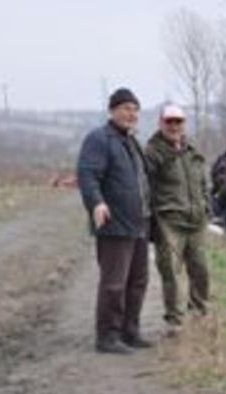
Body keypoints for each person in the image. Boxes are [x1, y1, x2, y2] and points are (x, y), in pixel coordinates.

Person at [76, 87, 152, 354]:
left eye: (134, 109)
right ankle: (107, 337)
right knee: (114, 284)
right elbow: (87, 175)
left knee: (138, 281)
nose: (131, 114)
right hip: (115, 224)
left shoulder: (131, 142)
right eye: (125, 108)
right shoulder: (99, 139)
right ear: (112, 111)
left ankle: (130, 331)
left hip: (139, 223)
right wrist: (96, 203)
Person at [144, 104, 210, 333]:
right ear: (161, 123)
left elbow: (203, 182)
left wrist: (206, 206)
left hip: (197, 221)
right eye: (169, 121)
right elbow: (145, 187)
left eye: (178, 121)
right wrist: (152, 218)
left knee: (201, 268)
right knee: (171, 271)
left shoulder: (193, 151)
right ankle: (175, 320)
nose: (174, 126)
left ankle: (200, 311)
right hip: (169, 221)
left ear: (183, 124)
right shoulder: (152, 152)